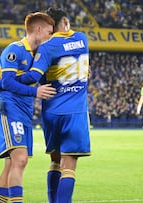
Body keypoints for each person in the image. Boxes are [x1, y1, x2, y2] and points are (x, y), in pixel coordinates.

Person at [14, 7, 91, 203]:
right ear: (65, 21)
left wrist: (9, 80)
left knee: (55, 161)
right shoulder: (82, 39)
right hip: (75, 111)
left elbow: (34, 76)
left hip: (52, 111)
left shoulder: (47, 47)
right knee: (69, 166)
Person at [0, 12, 56, 203]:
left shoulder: (40, 54)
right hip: (10, 107)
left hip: (25, 110)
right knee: (20, 160)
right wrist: (35, 92)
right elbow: (8, 83)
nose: (50, 36)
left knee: (12, 163)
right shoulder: (14, 50)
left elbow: (7, 82)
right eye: (49, 32)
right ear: (38, 29)